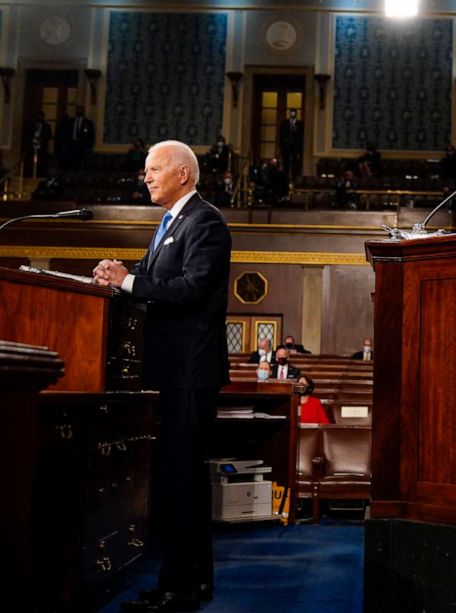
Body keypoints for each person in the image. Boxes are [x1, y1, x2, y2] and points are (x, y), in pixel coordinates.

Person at [92, 140, 231, 611]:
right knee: (178, 480)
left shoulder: (204, 221)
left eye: (154, 170)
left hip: (189, 373)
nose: (145, 177)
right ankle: (192, 583)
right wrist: (124, 275)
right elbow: (155, 287)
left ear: (183, 175)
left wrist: (129, 281)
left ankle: (179, 588)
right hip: (169, 371)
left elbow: (190, 290)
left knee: (181, 480)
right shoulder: (169, 224)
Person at [22, 112, 52, 178]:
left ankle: (41, 174)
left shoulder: (47, 126)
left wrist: (42, 139)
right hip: (33, 146)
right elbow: (28, 135)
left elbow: (50, 136)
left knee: (41, 162)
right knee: (32, 161)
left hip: (42, 147)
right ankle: (30, 174)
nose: (40, 118)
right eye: (38, 116)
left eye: (41, 116)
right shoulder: (32, 126)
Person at [65, 105, 95, 170]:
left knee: (80, 164)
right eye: (78, 110)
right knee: (70, 164)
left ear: (83, 111)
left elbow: (91, 136)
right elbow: (66, 134)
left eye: (81, 110)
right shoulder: (70, 121)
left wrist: (89, 147)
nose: (79, 111)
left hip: (82, 146)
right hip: (71, 145)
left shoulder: (88, 123)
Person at [278, 109, 303, 178]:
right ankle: (285, 178)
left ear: (296, 114)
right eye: (291, 113)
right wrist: (281, 145)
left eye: (294, 113)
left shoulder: (299, 124)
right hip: (286, 147)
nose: (292, 115)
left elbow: (301, 137)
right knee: (285, 163)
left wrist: (299, 150)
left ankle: (294, 178)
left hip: (295, 147)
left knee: (294, 164)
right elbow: (281, 134)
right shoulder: (284, 123)